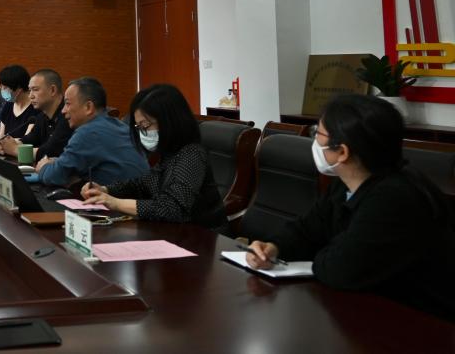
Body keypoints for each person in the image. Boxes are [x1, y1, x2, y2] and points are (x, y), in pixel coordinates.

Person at [245, 94, 454, 322]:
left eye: (318, 134)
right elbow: (306, 229)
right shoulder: (346, 184)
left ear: (342, 152)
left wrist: (323, 253)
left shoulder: (395, 199)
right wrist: (274, 247)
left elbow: (341, 270)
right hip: (368, 309)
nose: (315, 142)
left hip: (421, 323)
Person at [82, 84, 227, 230]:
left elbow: (171, 208)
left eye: (145, 126)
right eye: (139, 128)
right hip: (173, 232)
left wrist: (115, 203)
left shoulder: (192, 154)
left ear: (169, 121)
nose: (142, 133)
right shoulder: (169, 153)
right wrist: (105, 190)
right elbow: (141, 185)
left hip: (202, 237)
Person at [37, 77, 149, 187]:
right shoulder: (119, 126)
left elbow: (54, 176)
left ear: (88, 107)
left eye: (67, 103)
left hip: (120, 197)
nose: (63, 111)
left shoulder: (88, 133)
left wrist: (43, 167)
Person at [0, 69, 72, 162]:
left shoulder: (68, 116)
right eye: (30, 90)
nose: (30, 96)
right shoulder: (42, 116)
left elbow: (49, 152)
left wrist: (13, 149)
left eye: (35, 90)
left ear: (52, 90)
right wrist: (4, 143)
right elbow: (29, 140)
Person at [0, 65, 40, 141]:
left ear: (19, 89)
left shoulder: (35, 108)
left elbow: (26, 141)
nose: (1, 90)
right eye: (1, 86)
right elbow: (1, 136)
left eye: (5, 87)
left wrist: (6, 141)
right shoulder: (8, 106)